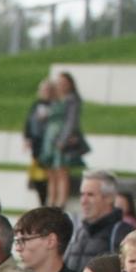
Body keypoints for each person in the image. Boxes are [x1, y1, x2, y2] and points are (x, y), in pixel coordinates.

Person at [64, 169, 132, 272]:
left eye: (90, 195)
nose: (83, 201)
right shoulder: (79, 231)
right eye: (82, 194)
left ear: (109, 198)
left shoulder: (123, 234)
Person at [40, 71, 86, 208]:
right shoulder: (55, 98)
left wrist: (64, 139)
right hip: (50, 137)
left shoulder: (72, 99)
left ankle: (61, 201)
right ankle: (51, 200)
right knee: (50, 170)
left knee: (61, 170)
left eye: (64, 83)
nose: (61, 85)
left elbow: (71, 121)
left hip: (62, 137)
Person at [23, 79, 54, 206]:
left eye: (48, 90)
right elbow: (28, 122)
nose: (45, 92)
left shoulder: (55, 105)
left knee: (48, 174)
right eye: (43, 90)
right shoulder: (36, 105)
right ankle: (42, 201)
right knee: (37, 175)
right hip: (37, 144)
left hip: (49, 145)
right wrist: (27, 138)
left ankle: (48, 200)